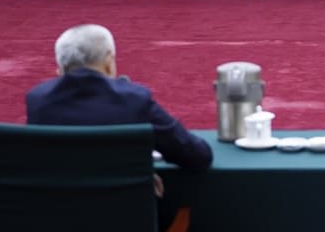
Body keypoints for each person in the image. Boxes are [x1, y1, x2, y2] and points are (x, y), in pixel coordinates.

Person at [26, 24, 213, 171]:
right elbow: (197, 156)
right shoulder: (133, 98)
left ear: (60, 68)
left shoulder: (37, 99)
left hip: (55, 215)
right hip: (124, 216)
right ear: (108, 61)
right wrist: (139, 172)